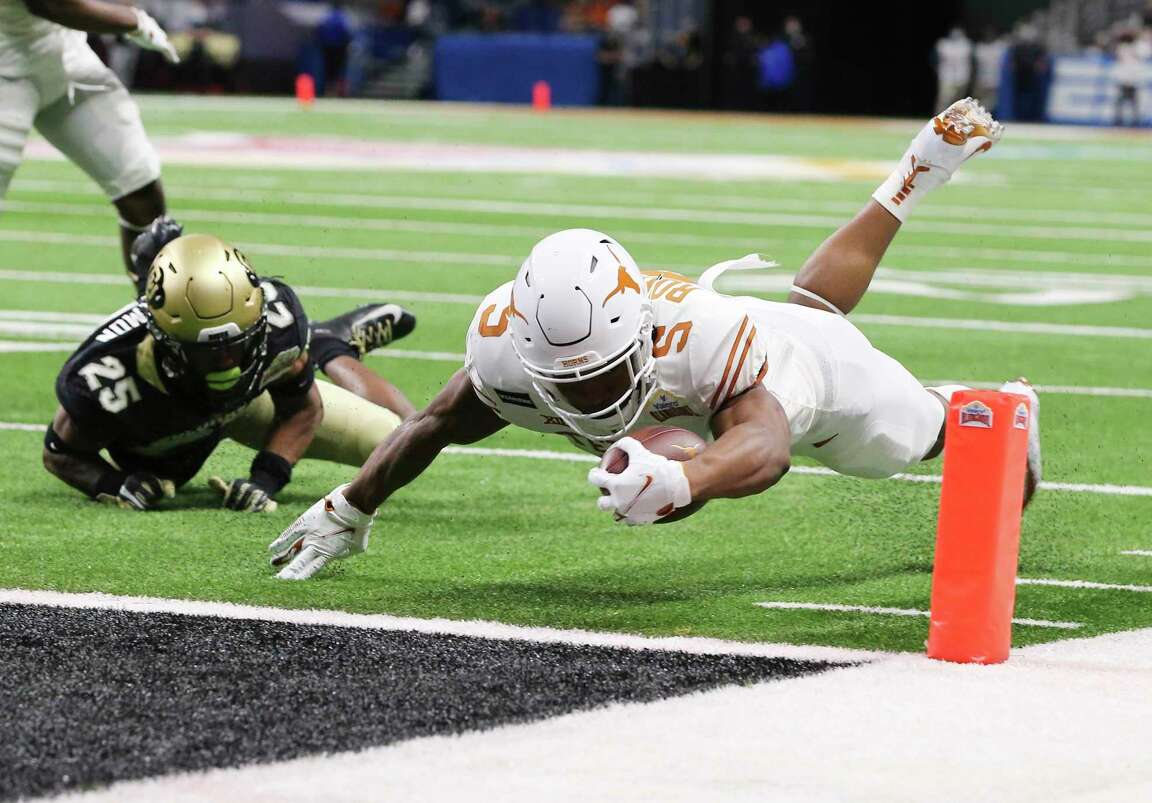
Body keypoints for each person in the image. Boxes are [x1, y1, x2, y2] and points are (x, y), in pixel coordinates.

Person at [270, 98, 1043, 581]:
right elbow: (434, 424)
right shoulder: (503, 349)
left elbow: (768, 445)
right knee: (812, 306)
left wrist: (689, 480)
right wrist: (351, 504)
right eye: (568, 387)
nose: (593, 400)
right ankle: (918, 168)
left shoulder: (703, 338)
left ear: (637, 336)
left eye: (604, 377)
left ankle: (1003, 406)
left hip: (790, 372)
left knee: (897, 434)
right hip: (712, 381)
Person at [43, 220, 417, 513]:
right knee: (168, 467)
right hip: (175, 434)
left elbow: (302, 409)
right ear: (161, 338)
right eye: (205, 351)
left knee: (395, 437)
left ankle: (328, 345)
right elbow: (60, 451)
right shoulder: (108, 370)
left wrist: (267, 477)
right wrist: (111, 482)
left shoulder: (276, 327)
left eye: (237, 343)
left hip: (249, 397)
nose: (225, 360)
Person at [0, 0, 179, 286]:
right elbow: (53, 4)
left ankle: (156, 320)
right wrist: (135, 22)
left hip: (61, 51)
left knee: (140, 188)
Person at [934, 27, 972, 113]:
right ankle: (938, 118)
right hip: (947, 76)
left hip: (962, 76)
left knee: (959, 101)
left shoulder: (966, 44)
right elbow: (935, 60)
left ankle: (955, 121)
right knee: (944, 99)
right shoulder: (943, 44)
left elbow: (971, 62)